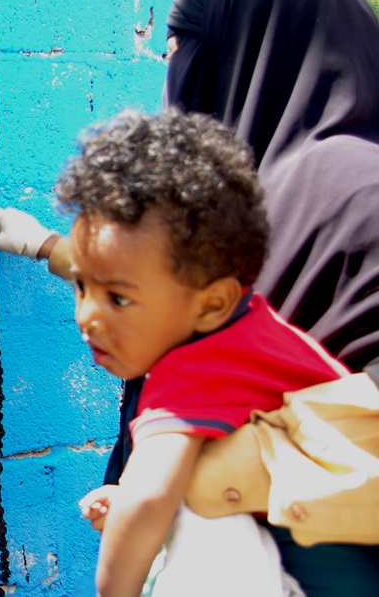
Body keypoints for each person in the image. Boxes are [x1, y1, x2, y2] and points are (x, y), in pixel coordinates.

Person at [0, 0, 379, 595]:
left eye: (184, 46)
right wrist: (46, 247)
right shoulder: (241, 190)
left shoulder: (359, 190)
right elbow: (185, 292)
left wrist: (204, 475)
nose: (175, 70)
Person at [58, 108, 345, 597]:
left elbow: (148, 500)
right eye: (82, 286)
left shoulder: (192, 370)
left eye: (118, 298)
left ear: (212, 304)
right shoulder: (254, 328)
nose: (88, 316)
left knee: (201, 518)